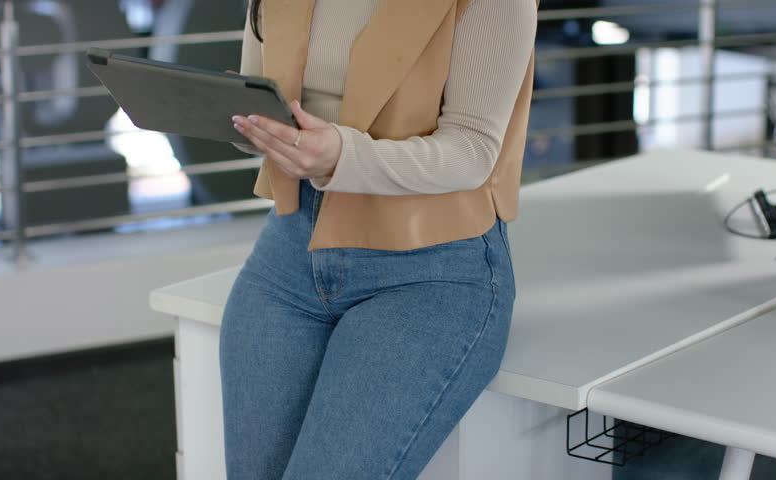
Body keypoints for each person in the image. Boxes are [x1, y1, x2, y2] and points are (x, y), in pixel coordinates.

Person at [219, 0, 538, 478]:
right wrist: (241, 121)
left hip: (429, 267)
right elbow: (262, 99)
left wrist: (341, 157)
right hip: (290, 247)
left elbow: (473, 149)